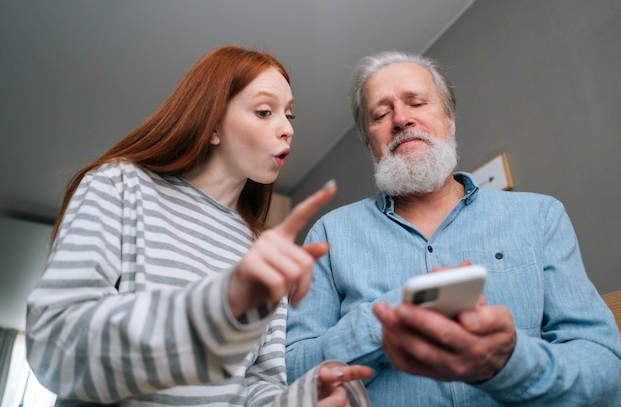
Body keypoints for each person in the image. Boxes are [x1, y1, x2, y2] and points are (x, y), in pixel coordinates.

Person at [26, 45, 373, 407]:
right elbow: (55, 346)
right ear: (212, 126)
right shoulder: (119, 185)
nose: (286, 129)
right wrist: (218, 307)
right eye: (264, 111)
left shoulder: (261, 247)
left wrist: (302, 401)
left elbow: (254, 384)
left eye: (289, 114)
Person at [285, 50, 621, 406]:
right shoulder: (329, 234)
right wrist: (383, 321)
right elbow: (291, 371)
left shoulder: (541, 216)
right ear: (369, 142)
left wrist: (509, 363)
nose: (401, 119)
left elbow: (610, 375)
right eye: (381, 114)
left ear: (450, 120)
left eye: (416, 102)